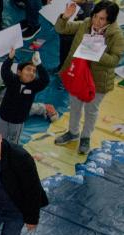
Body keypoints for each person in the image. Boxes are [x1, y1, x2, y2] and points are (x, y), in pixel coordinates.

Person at [54, 1, 124, 155]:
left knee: (91, 110)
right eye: (95, 17)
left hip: (98, 81)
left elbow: (114, 61)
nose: (97, 22)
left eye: (102, 19)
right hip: (78, 75)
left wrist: (97, 51)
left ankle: (85, 138)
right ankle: (73, 133)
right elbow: (61, 28)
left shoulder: (117, 35)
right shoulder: (86, 23)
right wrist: (65, 17)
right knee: (75, 106)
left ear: (110, 20)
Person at [0, 49, 50, 144]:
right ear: (19, 72)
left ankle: (11, 156)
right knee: (0, 139)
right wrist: (10, 58)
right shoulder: (12, 80)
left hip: (18, 121)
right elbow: (5, 71)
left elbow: (45, 80)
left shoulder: (34, 86)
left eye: (34, 71)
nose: (31, 73)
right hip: (3, 117)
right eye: (28, 69)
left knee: (13, 142)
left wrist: (39, 65)